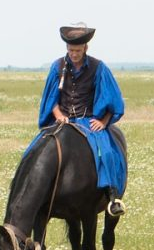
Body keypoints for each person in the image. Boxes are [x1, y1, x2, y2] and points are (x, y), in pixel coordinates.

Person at [32, 23, 127, 216]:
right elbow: (50, 98)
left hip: (88, 120)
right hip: (63, 120)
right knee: (33, 150)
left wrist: (103, 121)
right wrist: (58, 116)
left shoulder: (98, 68)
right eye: (70, 50)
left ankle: (112, 196)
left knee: (106, 152)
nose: (73, 54)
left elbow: (112, 99)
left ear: (85, 48)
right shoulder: (57, 67)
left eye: (77, 50)